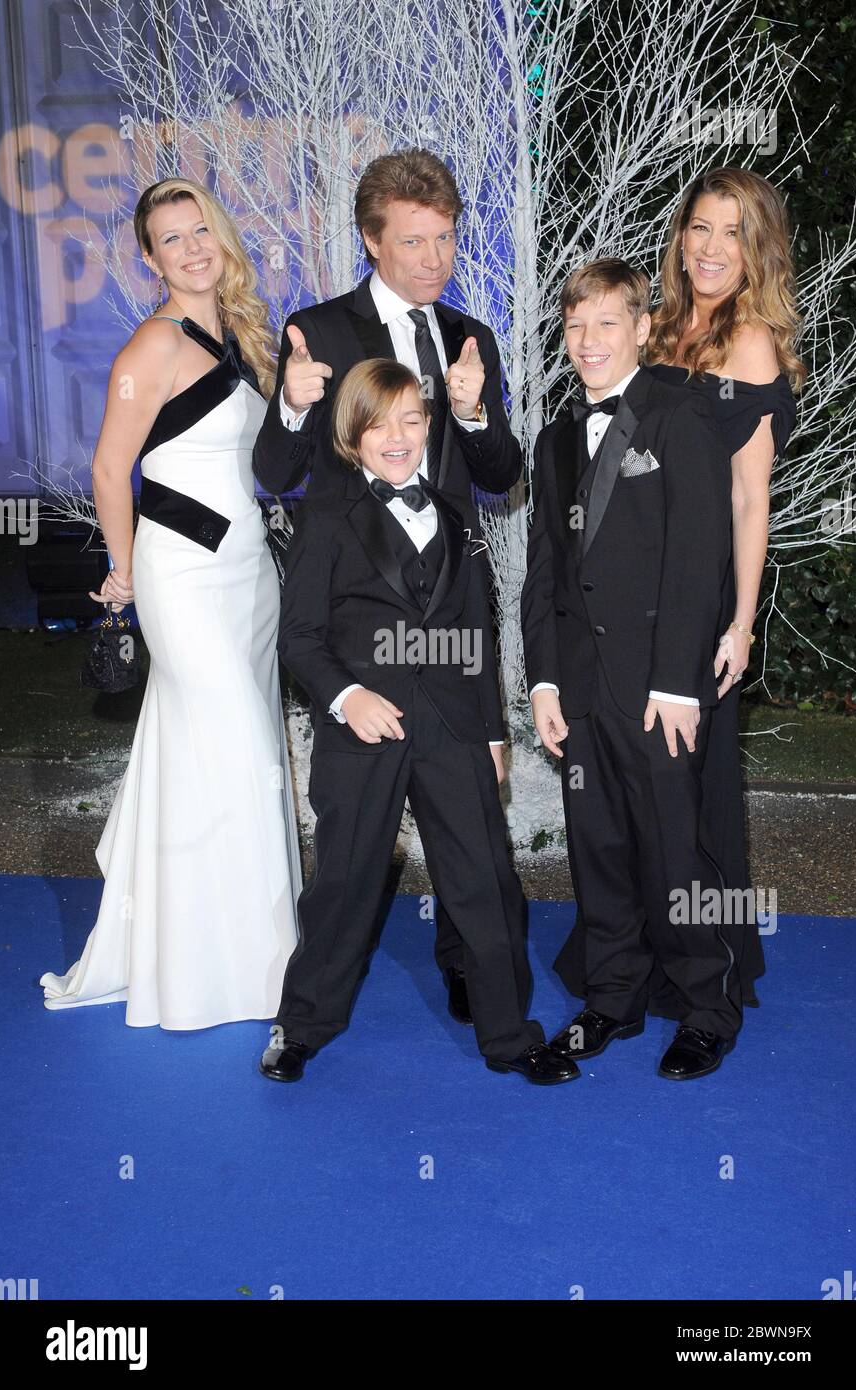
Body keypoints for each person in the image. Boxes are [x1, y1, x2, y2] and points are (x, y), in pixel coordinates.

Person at [253, 148, 522, 1027]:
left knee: (471, 838)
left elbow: (501, 473)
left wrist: (476, 414)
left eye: (444, 239)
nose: (433, 260)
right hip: (356, 626)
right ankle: (309, 1016)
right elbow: (272, 470)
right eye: (413, 241)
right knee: (353, 852)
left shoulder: (468, 333)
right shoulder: (318, 332)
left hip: (450, 612)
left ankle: (471, 977)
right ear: (372, 241)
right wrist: (292, 405)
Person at [259, 358, 576, 1085]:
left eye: (410, 420)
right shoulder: (326, 518)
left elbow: (477, 634)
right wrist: (347, 698)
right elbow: (298, 637)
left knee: (485, 885)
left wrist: (494, 732)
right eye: (378, 425)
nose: (395, 438)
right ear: (352, 436)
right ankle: (300, 1026)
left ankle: (510, 1037)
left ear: (428, 426)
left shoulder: (457, 517)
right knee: (342, 884)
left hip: (454, 731)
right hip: (362, 731)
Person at [40, 178, 301, 1029]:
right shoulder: (150, 347)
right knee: (237, 743)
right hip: (181, 576)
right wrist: (121, 570)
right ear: (149, 259)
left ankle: (241, 954)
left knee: (219, 754)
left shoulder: (241, 330)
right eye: (170, 239)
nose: (191, 248)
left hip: (249, 576)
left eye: (201, 231)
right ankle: (226, 972)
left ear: (219, 237)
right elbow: (113, 469)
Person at [521, 258, 739, 1080]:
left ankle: (705, 1009)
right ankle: (610, 997)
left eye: (606, 323)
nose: (587, 342)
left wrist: (678, 682)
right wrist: (543, 680)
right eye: (575, 326)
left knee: (676, 851)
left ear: (643, 329)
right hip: (579, 690)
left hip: (659, 688)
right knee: (599, 850)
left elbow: (697, 561)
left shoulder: (682, 422)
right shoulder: (551, 441)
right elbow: (543, 569)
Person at [645, 166, 803, 1016]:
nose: (710, 248)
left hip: (698, 595)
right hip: (633, 591)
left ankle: (708, 968)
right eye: (698, 228)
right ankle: (642, 950)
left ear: (756, 249)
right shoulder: (658, 325)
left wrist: (739, 623)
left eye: (730, 233)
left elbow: (750, 496)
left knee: (696, 787)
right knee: (646, 781)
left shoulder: (749, 343)